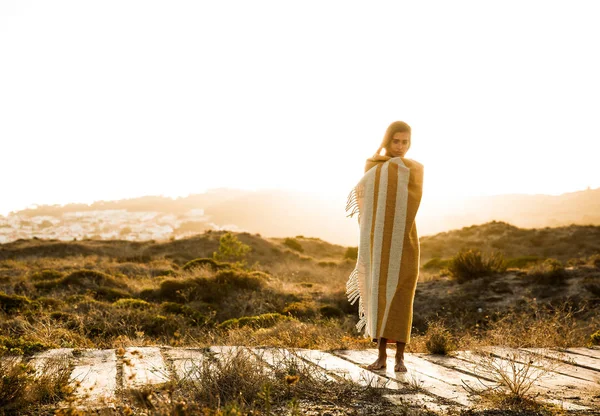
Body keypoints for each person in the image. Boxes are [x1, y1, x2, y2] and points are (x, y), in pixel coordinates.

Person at [346, 121, 424, 372]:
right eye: (396, 141)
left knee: (402, 295)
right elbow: (366, 200)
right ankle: (381, 356)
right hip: (378, 241)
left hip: (404, 238)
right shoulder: (373, 165)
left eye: (405, 142)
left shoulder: (413, 169)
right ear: (387, 141)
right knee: (379, 292)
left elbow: (411, 201)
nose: (401, 147)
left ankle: (400, 357)